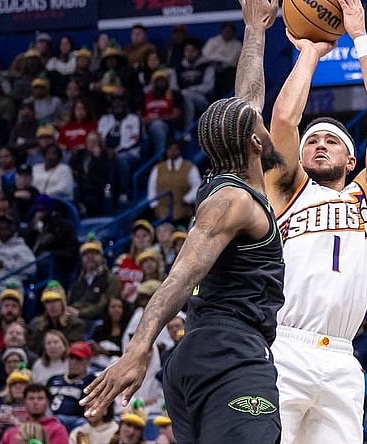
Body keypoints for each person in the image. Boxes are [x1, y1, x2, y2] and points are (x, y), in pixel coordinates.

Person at [80, 2, 283, 443]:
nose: (266, 124)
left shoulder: (230, 181)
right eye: (261, 125)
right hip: (230, 357)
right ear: (254, 141)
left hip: (201, 357)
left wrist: (255, 29)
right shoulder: (232, 201)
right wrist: (137, 349)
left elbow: (247, 100)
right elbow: (182, 274)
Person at [264, 0, 367, 441]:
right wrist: (309, 51)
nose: (319, 145)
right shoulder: (287, 190)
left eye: (331, 140)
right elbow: (283, 118)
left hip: (343, 358)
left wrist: (360, 37)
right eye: (312, 141)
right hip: (285, 345)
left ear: (351, 157)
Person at [0, 383, 67, 444]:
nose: (35, 402)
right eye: (31, 398)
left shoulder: (57, 430)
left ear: (47, 402)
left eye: (40, 398)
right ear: (25, 402)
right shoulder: (11, 433)